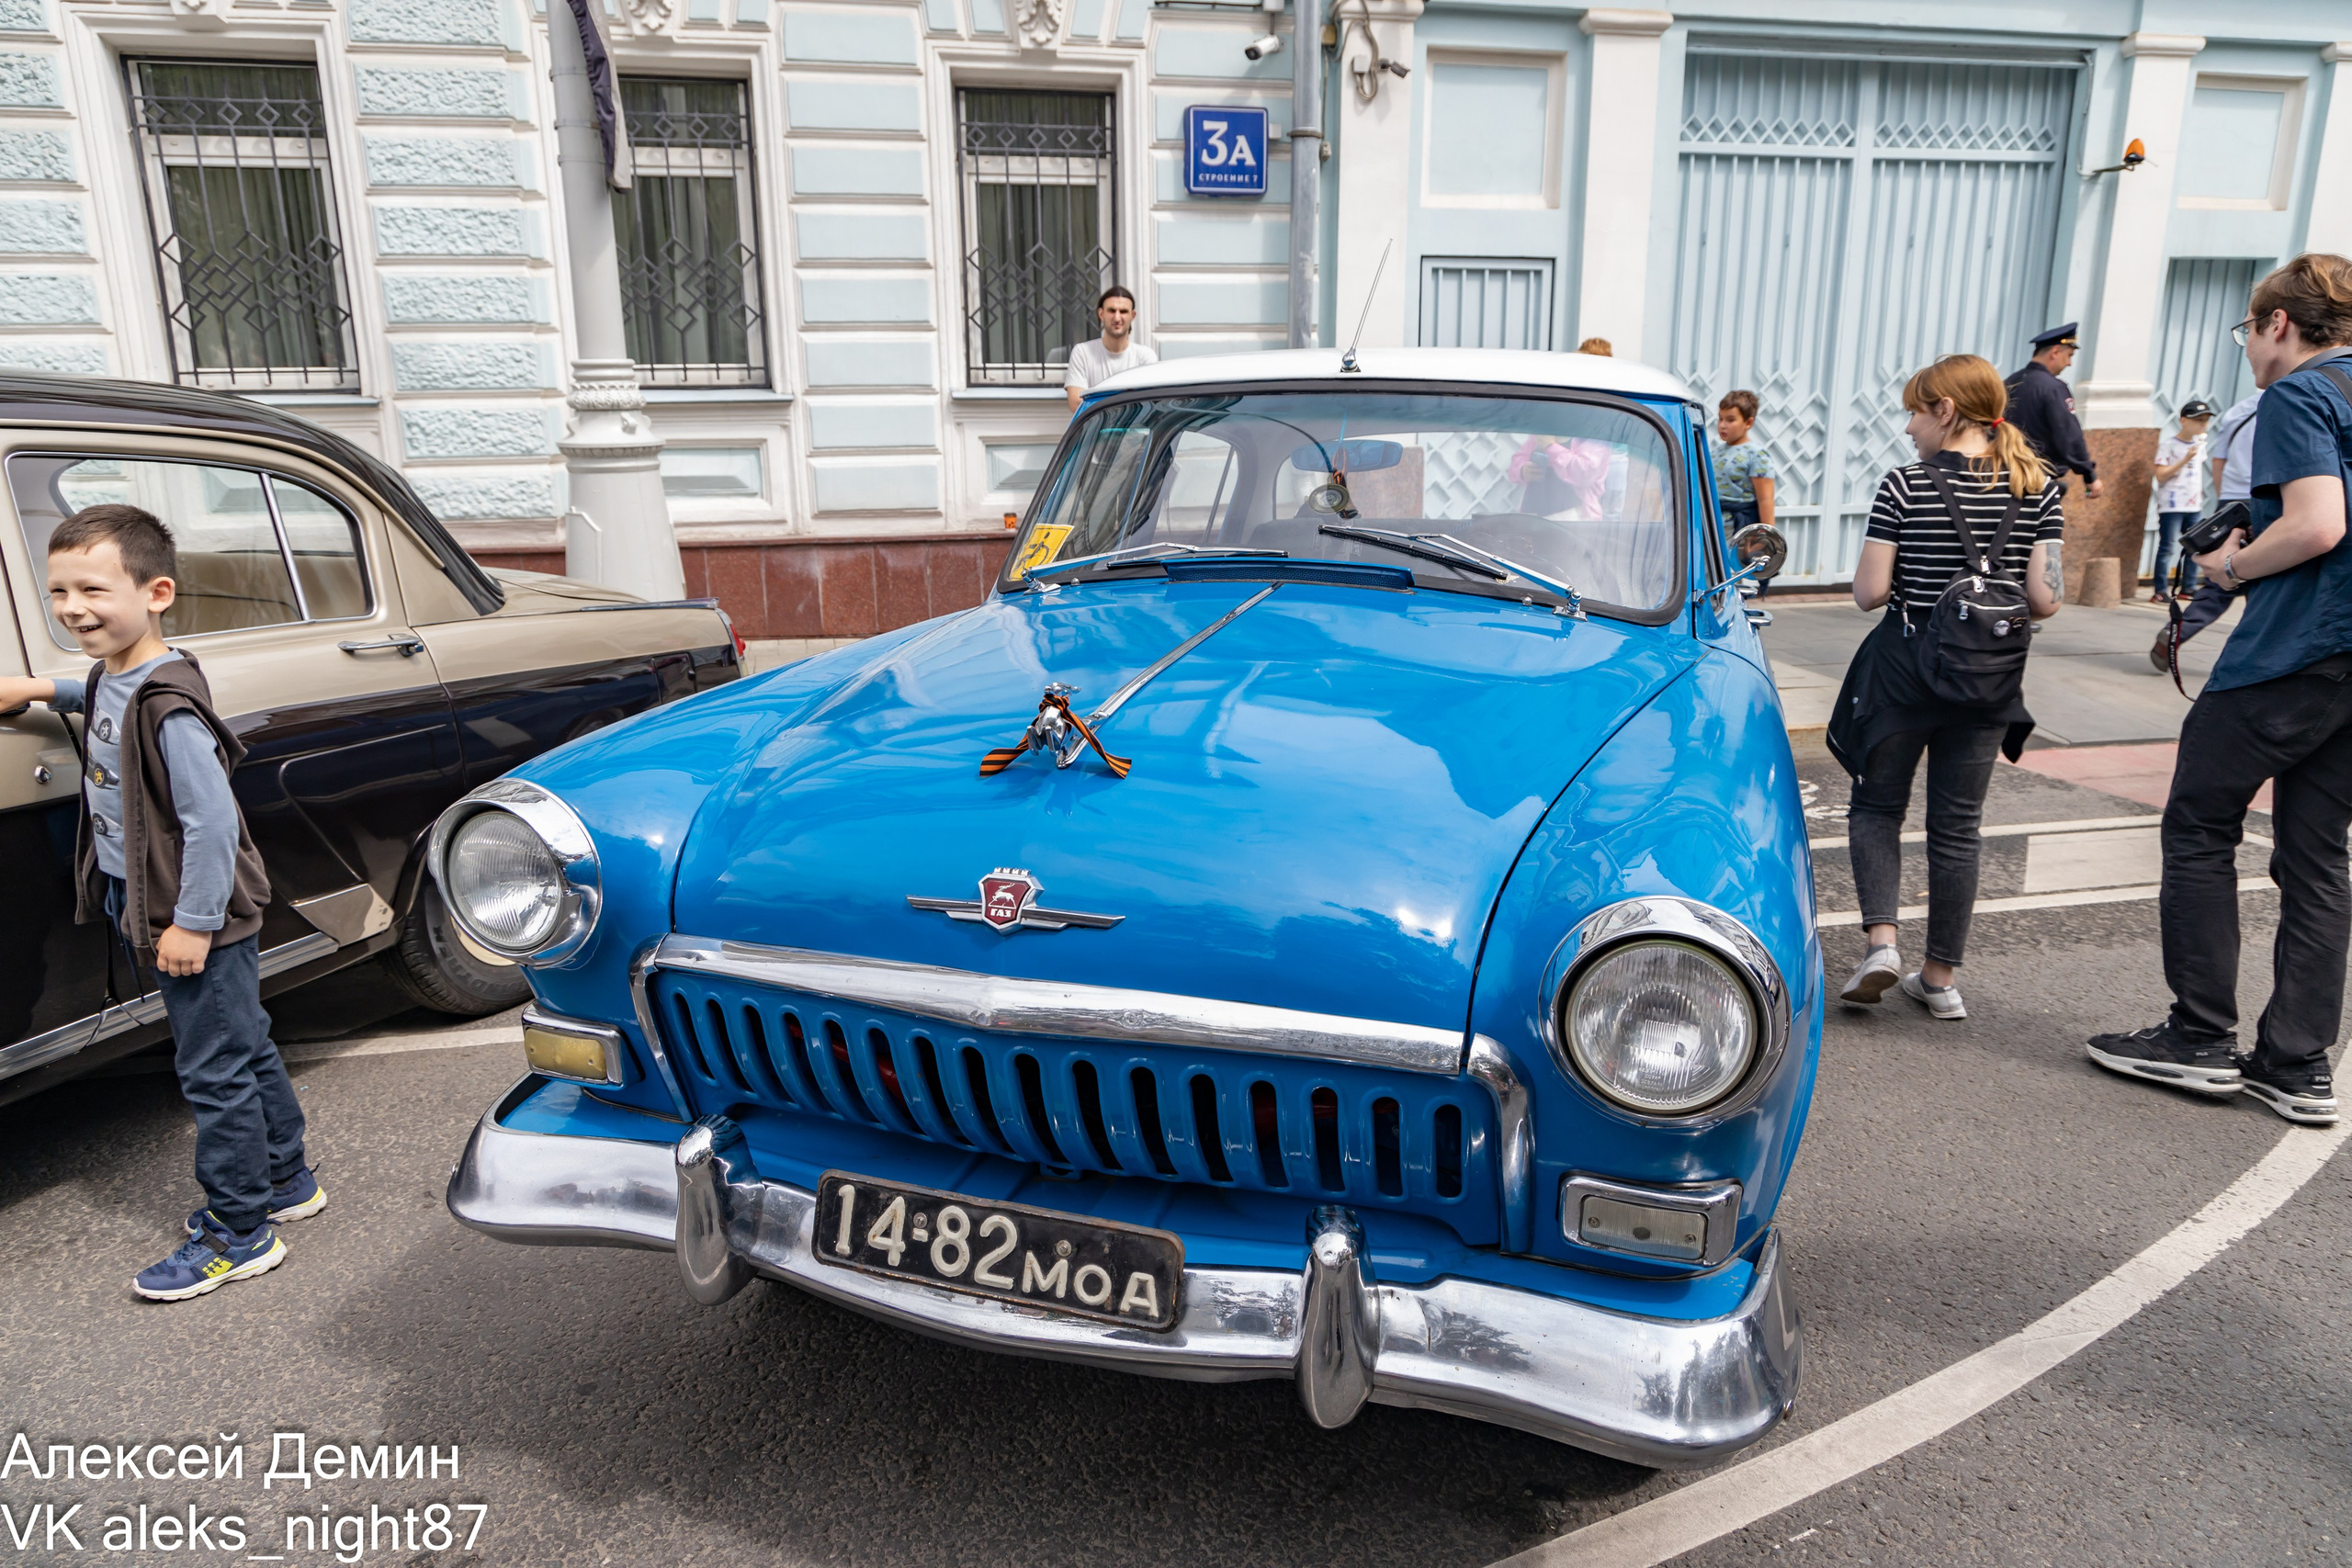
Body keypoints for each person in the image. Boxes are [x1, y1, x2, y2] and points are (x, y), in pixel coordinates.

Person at [0, 506, 323, 1298]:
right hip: (167, 904)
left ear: (156, 592)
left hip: (192, 914)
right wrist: (43, 686)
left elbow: (213, 825)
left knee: (212, 1069)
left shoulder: (170, 709)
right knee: (242, 1042)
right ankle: (287, 1179)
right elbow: (102, 694)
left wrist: (192, 924)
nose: (73, 606)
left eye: (94, 589)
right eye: (60, 590)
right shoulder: (123, 674)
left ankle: (239, 1230)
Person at [2089, 253, 2352, 1125]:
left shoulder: (2301, 396)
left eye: (2250, 329)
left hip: (2293, 652)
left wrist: (2232, 563)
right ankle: (2297, 1062)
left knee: (2200, 825)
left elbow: (2319, 523)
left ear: (2280, 323)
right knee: (2318, 859)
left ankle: (2198, 1036)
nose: (2249, 349)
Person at [1829, 355, 2066, 1021]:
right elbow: (2046, 600)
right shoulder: (2039, 486)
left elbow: (1870, 593)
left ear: (1945, 411)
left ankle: (1881, 943)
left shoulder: (1905, 485)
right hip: (1989, 681)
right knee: (1959, 826)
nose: (1907, 428)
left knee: (1878, 807)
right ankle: (1939, 979)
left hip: (1906, 672)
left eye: (1913, 411)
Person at [2150, 387, 2261, 671]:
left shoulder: (2240, 411)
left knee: (2223, 580)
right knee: (2265, 585)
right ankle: (2249, 661)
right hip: (2270, 499)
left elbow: (2219, 461)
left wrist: (2228, 508)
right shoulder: (2305, 401)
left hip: (2234, 502)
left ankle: (2178, 631)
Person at [2005, 323, 2105, 500]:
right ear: (2056, 351)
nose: (2069, 363)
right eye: (2069, 355)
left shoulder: (2009, 382)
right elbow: (2068, 433)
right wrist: (2089, 475)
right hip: (2037, 480)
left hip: (2003, 474)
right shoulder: (2054, 388)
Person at [2150, 399, 2215, 602]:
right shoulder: (2169, 445)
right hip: (2172, 504)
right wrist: (2185, 459)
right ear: (2184, 421)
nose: (2203, 424)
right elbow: (2160, 475)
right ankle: (2160, 590)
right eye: (2198, 420)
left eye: (2205, 420)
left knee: (2195, 545)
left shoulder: (2200, 445)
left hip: (2193, 504)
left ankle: (2188, 586)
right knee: (2167, 546)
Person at [1063, 286, 1156, 413]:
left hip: (1137, 432)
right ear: (1101, 314)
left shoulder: (1145, 357)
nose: (1117, 318)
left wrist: (1098, 407)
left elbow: (1149, 403)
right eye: (1112, 311)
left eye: (1123, 311)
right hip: (1095, 433)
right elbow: (1076, 403)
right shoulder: (1082, 353)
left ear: (1133, 315)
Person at [1713, 389, 1777, 535]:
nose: (1722, 425)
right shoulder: (1715, 452)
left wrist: (1764, 537)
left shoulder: (1757, 455)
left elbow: (1765, 500)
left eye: (1730, 420)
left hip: (1738, 529)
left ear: (1748, 422)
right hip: (1712, 526)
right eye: (1720, 418)